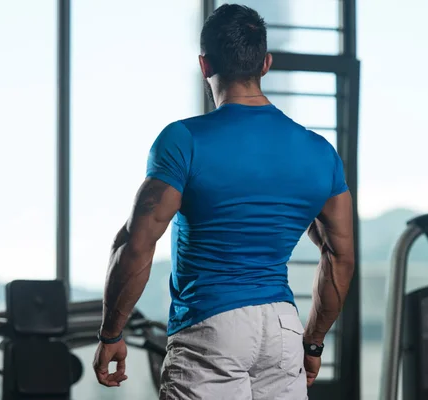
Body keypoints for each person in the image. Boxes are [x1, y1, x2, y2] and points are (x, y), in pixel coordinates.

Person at [92, 4, 355, 399]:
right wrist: (313, 343)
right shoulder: (320, 153)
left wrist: (111, 332)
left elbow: (137, 244)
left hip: (209, 327)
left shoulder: (183, 141)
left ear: (204, 64)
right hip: (283, 328)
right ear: (265, 64)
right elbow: (340, 257)